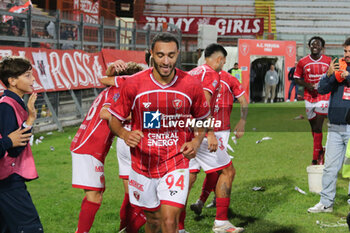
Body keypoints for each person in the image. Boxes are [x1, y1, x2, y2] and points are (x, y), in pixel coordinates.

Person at [108, 32, 210, 233]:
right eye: (160, 55)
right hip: (142, 165)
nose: (166, 61)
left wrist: (197, 142)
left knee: (169, 221)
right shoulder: (134, 83)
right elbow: (113, 119)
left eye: (171, 55)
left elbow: (203, 119)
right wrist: (124, 134)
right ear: (151, 54)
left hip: (175, 162)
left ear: (177, 54)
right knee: (153, 221)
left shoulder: (191, 84)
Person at [71, 62, 143, 233]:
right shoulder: (119, 90)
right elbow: (105, 113)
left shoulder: (114, 88)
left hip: (89, 146)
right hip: (89, 146)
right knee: (94, 197)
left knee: (95, 195)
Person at [187, 44, 244, 233]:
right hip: (203, 133)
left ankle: (177, 226)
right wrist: (209, 132)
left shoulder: (192, 73)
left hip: (186, 131)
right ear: (219, 59)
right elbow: (203, 104)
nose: (225, 64)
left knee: (188, 176)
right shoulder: (211, 74)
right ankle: (221, 222)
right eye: (224, 60)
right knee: (227, 171)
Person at [0, 56, 43, 232]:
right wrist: (30, 120)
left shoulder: (12, 103)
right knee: (30, 228)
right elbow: (15, 149)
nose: (33, 79)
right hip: (8, 180)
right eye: (27, 75)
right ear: (12, 81)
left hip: (8, 179)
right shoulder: (6, 106)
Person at [307, 37, 350, 213]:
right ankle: (326, 202)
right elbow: (322, 88)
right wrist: (330, 74)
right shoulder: (338, 66)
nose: (346, 55)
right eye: (345, 51)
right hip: (335, 127)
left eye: (349, 52)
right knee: (330, 167)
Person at [294, 36, 332, 165]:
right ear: (309, 46)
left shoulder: (328, 61)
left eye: (318, 44)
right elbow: (296, 78)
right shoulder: (302, 62)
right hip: (309, 96)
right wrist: (307, 85)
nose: (315, 46)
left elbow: (332, 76)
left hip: (324, 96)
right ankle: (320, 149)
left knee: (318, 126)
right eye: (313, 44)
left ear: (322, 47)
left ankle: (316, 158)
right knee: (313, 126)